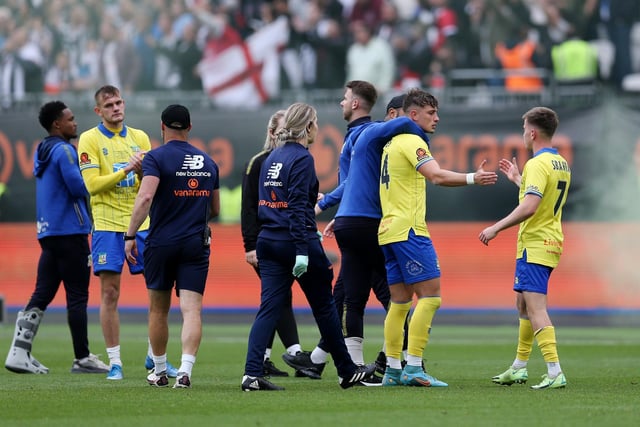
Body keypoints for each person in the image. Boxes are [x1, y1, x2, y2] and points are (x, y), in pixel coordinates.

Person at [241, 102, 376, 391]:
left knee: (269, 308)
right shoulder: (302, 158)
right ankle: (346, 371)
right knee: (325, 307)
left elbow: (271, 202)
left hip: (269, 241)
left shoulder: (272, 156)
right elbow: (298, 208)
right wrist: (303, 249)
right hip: (295, 241)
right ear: (309, 127)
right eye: (315, 124)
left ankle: (251, 374)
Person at [285, 91, 412, 382]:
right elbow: (356, 185)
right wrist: (340, 212)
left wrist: (325, 203)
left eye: (345, 98)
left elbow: (355, 183)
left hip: (373, 224)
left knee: (373, 295)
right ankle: (331, 361)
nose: (341, 102)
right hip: (360, 221)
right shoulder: (361, 136)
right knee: (348, 294)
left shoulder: (368, 136)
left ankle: (396, 357)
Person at [379, 88, 498, 387]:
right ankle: (414, 367)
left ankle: (393, 369)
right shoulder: (411, 140)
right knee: (431, 296)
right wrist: (473, 177)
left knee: (400, 302)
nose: (437, 118)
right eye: (431, 113)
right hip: (409, 229)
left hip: (388, 230)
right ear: (413, 114)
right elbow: (437, 175)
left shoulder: (390, 144)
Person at [77, 85, 177, 380]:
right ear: (98, 111)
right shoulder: (89, 139)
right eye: (109, 105)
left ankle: (154, 357)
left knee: (157, 290)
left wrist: (142, 172)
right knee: (110, 292)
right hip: (107, 224)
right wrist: (127, 170)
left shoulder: (140, 137)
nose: (116, 108)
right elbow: (91, 185)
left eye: (119, 102)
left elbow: (148, 183)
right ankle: (115, 362)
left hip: (141, 224)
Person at [5, 100, 109, 375]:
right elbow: (78, 186)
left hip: (48, 232)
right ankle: (82, 357)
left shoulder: (43, 149)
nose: (75, 123)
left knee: (43, 292)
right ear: (56, 124)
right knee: (77, 296)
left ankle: (19, 352)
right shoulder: (64, 150)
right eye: (70, 119)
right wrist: (101, 178)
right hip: (70, 231)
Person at [124, 104, 220, 388]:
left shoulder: (155, 158)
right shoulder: (208, 162)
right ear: (189, 128)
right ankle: (186, 371)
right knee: (192, 310)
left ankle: (161, 371)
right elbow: (214, 208)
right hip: (195, 243)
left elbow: (145, 198)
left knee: (158, 310)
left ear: (162, 127)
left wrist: (130, 236)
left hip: (162, 242)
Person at [479, 106, 570, 390]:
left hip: (536, 243)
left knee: (536, 308)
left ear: (532, 132)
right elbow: (541, 198)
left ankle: (555, 371)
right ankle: (519, 367)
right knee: (522, 305)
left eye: (523, 130)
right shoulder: (560, 163)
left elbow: (530, 206)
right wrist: (519, 181)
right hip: (550, 240)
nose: (523, 135)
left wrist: (496, 227)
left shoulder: (537, 164)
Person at [241, 110, 309, 378]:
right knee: (277, 297)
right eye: (283, 129)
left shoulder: (286, 160)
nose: (288, 134)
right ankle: (295, 355)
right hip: (267, 241)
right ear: (272, 133)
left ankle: (274, 357)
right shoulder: (260, 162)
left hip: (285, 238)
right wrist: (250, 245)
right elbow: (248, 207)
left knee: (278, 297)